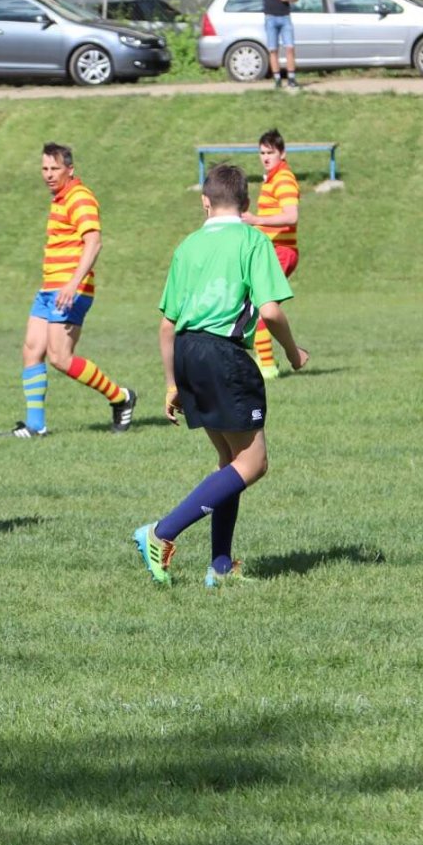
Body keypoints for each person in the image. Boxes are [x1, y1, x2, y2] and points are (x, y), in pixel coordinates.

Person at [133, 163, 310, 588]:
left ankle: (221, 566)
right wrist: (293, 352)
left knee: (230, 462)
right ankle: (161, 532)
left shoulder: (188, 246)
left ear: (205, 202)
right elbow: (270, 311)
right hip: (223, 355)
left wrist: (173, 383)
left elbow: (166, 325)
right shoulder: (253, 240)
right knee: (254, 463)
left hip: (187, 352)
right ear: (246, 203)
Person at [5, 142, 136, 438]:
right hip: (49, 289)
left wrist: (73, 283)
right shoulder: (60, 198)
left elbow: (94, 242)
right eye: (44, 168)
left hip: (70, 290)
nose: (49, 174)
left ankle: (121, 397)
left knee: (60, 357)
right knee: (31, 350)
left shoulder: (79, 197)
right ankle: (35, 426)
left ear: (70, 169)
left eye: (55, 168)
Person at [240, 129, 301, 379]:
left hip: (282, 251)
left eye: (270, 152)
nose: (265, 157)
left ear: (282, 153)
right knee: (257, 304)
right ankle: (266, 360)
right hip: (272, 250)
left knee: (262, 304)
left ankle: (267, 365)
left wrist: (256, 220)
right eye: (262, 152)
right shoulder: (272, 179)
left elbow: (291, 216)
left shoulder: (284, 179)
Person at [251, 0, 300, 90]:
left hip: (285, 17)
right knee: (273, 50)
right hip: (270, 18)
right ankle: (277, 80)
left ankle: (291, 79)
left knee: (290, 48)